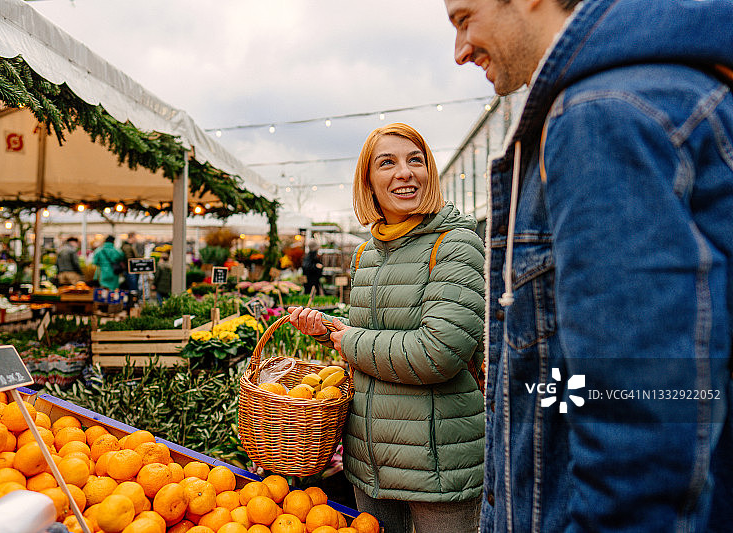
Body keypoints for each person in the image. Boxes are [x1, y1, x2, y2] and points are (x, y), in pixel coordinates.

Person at [443, 0, 733, 531]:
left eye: (464, 19)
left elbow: (644, 414)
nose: (460, 51)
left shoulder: (599, 113)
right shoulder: (661, 88)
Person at [289, 123, 485, 533]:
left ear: (430, 172)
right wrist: (331, 330)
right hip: (370, 463)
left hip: (438, 467)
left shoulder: (454, 244)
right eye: (387, 163)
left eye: (416, 160)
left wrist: (350, 340)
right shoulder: (366, 254)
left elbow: (440, 352)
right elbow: (373, 337)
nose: (405, 172)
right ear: (369, 182)